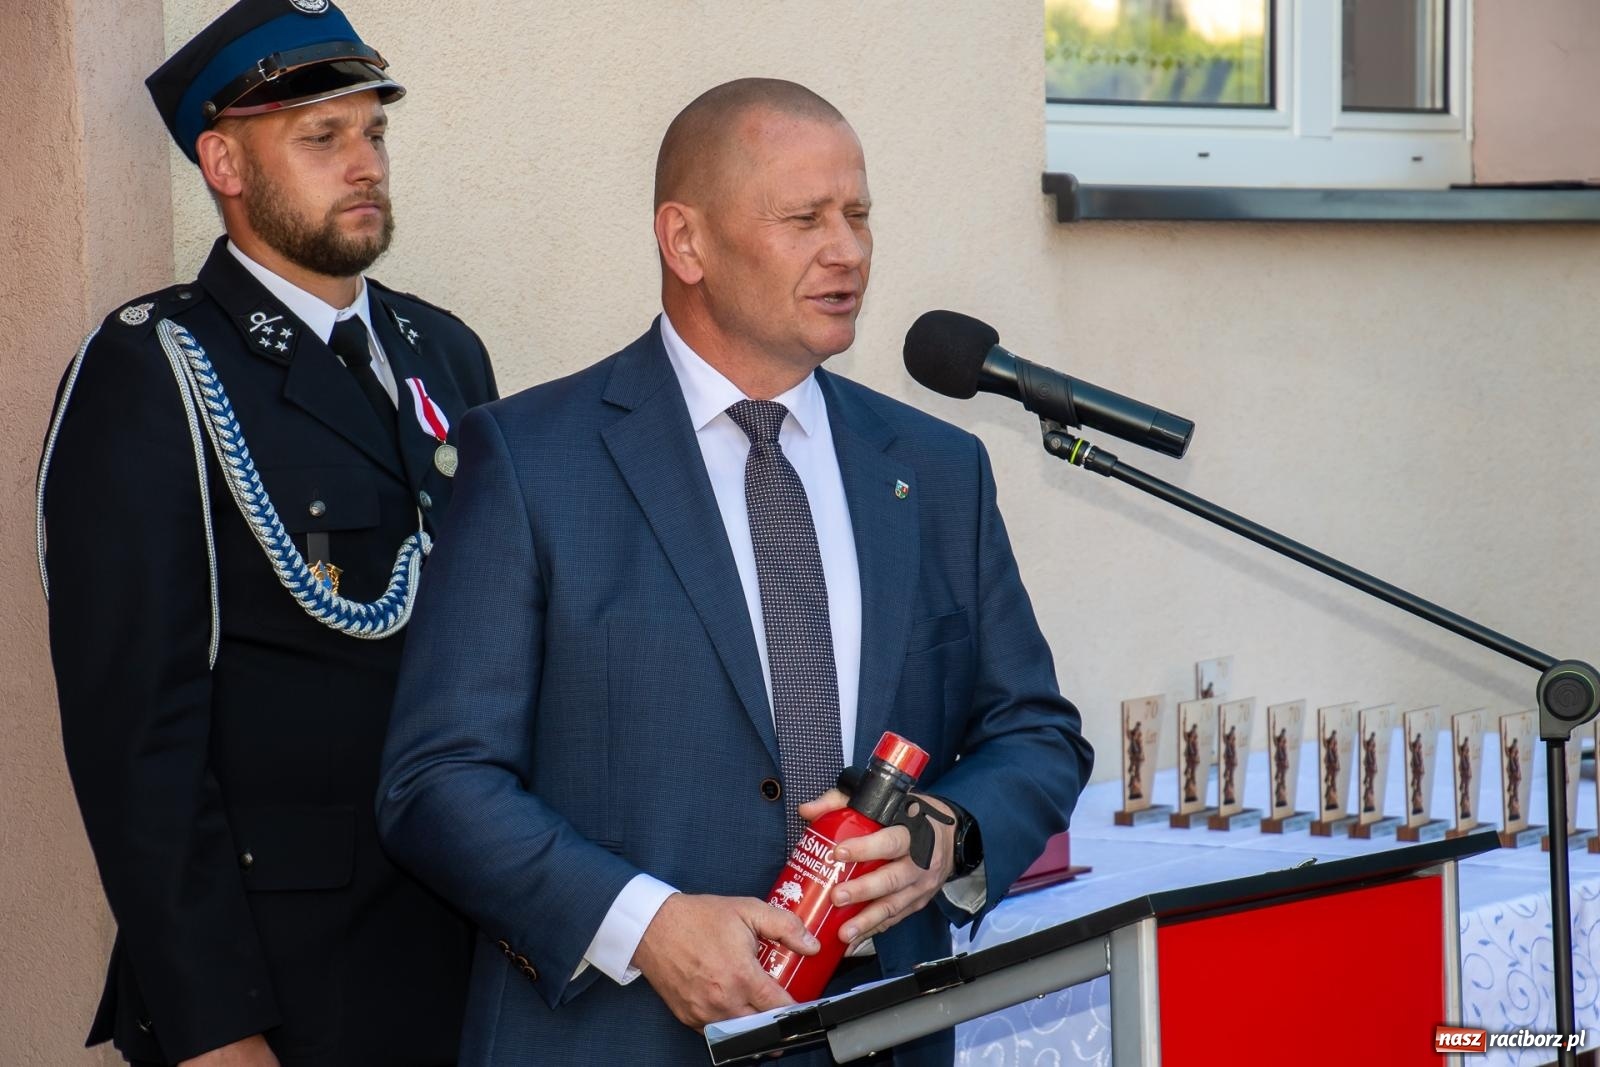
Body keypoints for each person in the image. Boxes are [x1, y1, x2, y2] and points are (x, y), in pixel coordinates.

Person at [375, 78, 1091, 1066]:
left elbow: (1035, 732)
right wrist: (647, 924)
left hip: (882, 1031)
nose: (846, 250)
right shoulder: (535, 459)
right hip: (615, 1036)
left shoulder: (931, 468)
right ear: (687, 242)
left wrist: (947, 834)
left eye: (858, 215)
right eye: (804, 218)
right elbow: (437, 778)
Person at [37, 2, 497, 1064]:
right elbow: (134, 735)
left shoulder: (444, 353)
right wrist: (216, 1024)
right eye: (320, 138)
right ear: (224, 164)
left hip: (462, 952)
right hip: (285, 980)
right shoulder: (154, 370)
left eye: (373, 131)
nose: (364, 162)